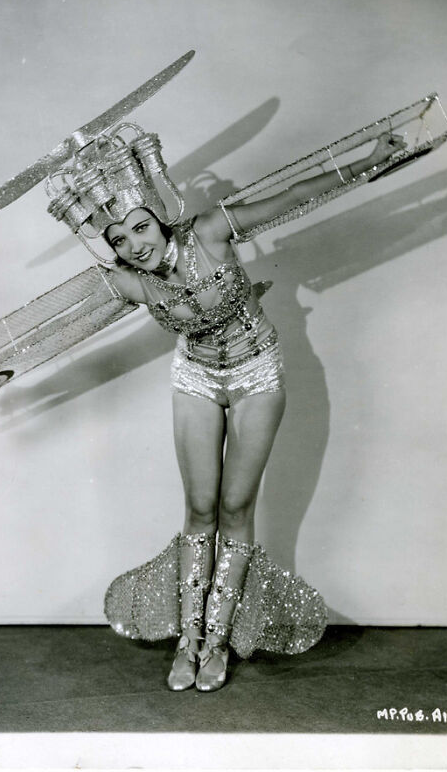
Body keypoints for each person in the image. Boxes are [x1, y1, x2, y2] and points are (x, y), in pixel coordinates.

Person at [94, 130, 406, 692]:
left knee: (236, 505)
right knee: (199, 505)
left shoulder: (210, 232)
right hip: (194, 374)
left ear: (159, 218)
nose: (135, 245)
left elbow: (291, 197)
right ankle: (187, 641)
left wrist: (367, 161)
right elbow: (48, 330)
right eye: (120, 239)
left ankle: (217, 641)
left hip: (255, 369)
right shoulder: (130, 282)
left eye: (140, 226)